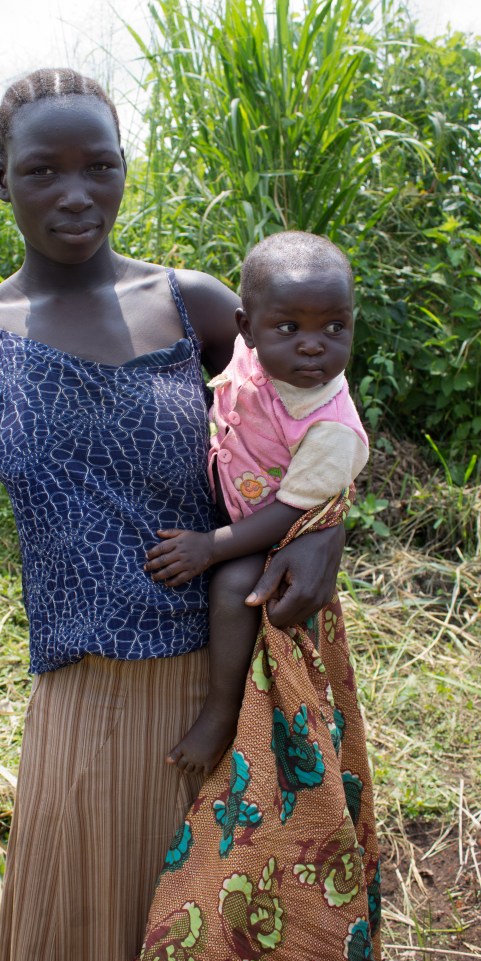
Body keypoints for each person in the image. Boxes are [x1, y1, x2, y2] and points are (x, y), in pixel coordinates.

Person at [0, 68, 345, 961]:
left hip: (228, 687)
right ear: (1, 179)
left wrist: (324, 532)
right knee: (81, 952)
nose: (75, 196)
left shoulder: (191, 305)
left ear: (124, 171)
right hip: (84, 707)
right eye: (42, 172)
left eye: (98, 167)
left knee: (234, 950)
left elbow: (321, 412)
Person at [144, 231, 369, 776]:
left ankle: (220, 714)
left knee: (232, 585)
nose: (314, 345)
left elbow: (290, 512)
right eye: (289, 327)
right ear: (247, 328)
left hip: (276, 537)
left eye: (334, 327)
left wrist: (210, 547)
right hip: (236, 504)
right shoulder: (250, 356)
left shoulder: (332, 426)